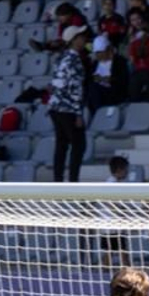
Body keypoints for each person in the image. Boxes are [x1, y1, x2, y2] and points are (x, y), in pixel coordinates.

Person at [49, 25, 91, 182]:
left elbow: (55, 81)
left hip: (55, 106)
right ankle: (73, 183)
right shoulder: (75, 60)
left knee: (61, 144)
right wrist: (78, 113)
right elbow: (75, 88)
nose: (84, 38)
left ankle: (58, 181)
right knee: (79, 145)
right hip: (68, 108)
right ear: (74, 40)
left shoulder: (61, 57)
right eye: (80, 36)